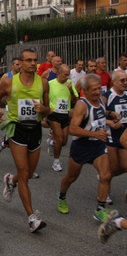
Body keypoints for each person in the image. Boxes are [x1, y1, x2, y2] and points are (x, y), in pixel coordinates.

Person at [0, 48, 50, 233]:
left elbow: (48, 109)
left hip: (35, 130)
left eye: (35, 60)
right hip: (17, 130)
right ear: (21, 62)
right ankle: (32, 218)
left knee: (29, 172)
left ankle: (10, 180)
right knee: (25, 173)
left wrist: (44, 110)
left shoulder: (43, 83)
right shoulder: (9, 82)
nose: (33, 63)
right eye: (29, 60)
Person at [56, 74, 120, 223]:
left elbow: (99, 112)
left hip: (97, 145)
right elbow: (72, 129)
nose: (98, 92)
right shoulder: (81, 105)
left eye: (99, 88)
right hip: (82, 146)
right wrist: (94, 133)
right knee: (71, 177)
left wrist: (110, 115)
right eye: (94, 90)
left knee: (106, 175)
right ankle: (61, 196)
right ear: (85, 90)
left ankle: (100, 209)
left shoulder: (101, 100)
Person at [101, 70, 127, 204]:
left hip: (124, 136)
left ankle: (103, 177)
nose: (125, 83)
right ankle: (106, 191)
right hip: (110, 136)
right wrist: (110, 121)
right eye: (122, 80)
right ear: (114, 82)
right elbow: (98, 114)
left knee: (123, 166)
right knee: (112, 166)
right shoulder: (107, 96)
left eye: (126, 80)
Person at [46, 64, 78, 171]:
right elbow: (44, 97)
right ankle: (56, 162)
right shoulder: (50, 84)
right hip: (53, 114)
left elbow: (74, 100)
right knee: (59, 138)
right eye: (65, 74)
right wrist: (47, 110)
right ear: (59, 73)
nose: (67, 77)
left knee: (63, 142)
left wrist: (71, 91)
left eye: (69, 75)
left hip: (65, 114)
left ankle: (51, 142)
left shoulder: (69, 84)